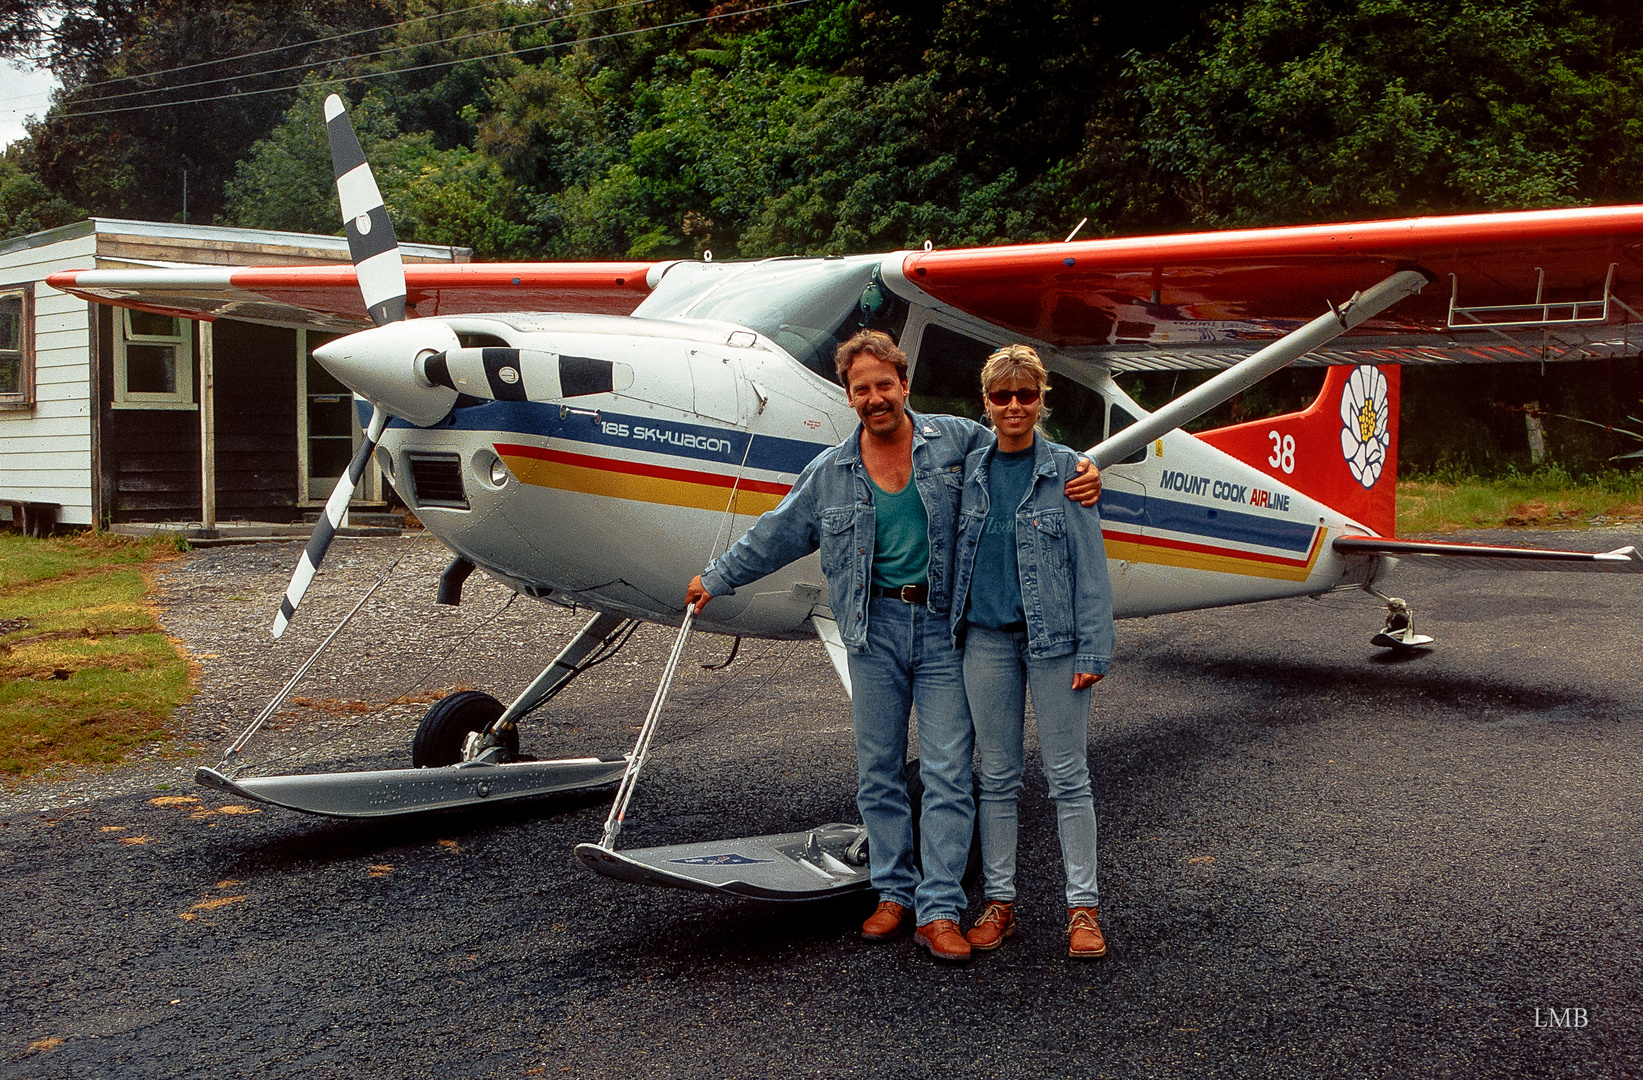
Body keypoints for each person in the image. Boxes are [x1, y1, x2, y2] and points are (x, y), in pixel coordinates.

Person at [685, 330, 1100, 964]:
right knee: (877, 773)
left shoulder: (955, 440)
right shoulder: (831, 472)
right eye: (862, 389)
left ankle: (938, 909)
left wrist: (1083, 467)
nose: (875, 398)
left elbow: (1020, 449)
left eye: (885, 385)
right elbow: (777, 533)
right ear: (849, 397)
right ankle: (892, 893)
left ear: (904, 386)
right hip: (871, 628)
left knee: (946, 773)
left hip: (939, 626)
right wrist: (714, 579)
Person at [949, 344, 1117, 960]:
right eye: (1001, 396)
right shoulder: (968, 470)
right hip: (985, 640)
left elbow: (1090, 571)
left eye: (1026, 395)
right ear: (986, 404)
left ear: (1042, 399)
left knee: (1067, 776)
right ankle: (1000, 903)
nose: (1013, 406)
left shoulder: (1070, 470)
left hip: (1054, 643)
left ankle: (1083, 910)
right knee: (995, 777)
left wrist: (1094, 649)